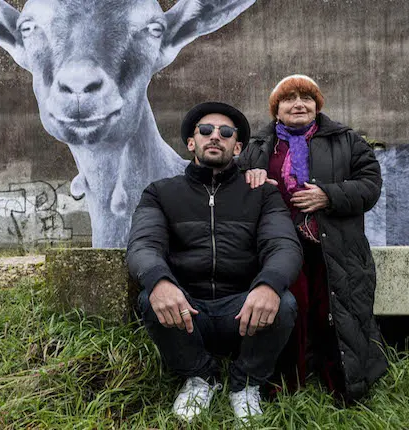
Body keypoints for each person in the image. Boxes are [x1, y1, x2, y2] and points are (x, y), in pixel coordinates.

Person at [127, 102, 302, 423]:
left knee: (284, 302)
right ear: (191, 143)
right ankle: (200, 377)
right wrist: (160, 281)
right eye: (205, 131)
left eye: (225, 132)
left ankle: (245, 383)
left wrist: (269, 285)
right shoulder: (160, 193)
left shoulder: (262, 194)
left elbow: (284, 245)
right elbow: (143, 244)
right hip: (187, 310)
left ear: (237, 146)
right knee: (150, 298)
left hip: (243, 310)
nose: (214, 137)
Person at [239, 74, 388, 404]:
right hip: (279, 250)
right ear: (276, 109)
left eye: (306, 97)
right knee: (290, 311)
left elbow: (370, 184)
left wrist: (329, 195)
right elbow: (235, 194)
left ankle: (344, 384)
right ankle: (286, 385)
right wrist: (250, 179)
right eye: (288, 98)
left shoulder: (345, 140)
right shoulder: (257, 147)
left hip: (334, 246)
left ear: (317, 106)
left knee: (337, 312)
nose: (298, 104)